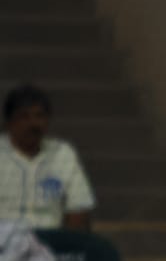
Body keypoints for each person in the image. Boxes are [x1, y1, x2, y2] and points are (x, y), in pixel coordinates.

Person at [0, 84, 95, 230]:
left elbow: (79, 206)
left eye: (39, 116)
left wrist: (66, 246)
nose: (33, 124)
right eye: (24, 117)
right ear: (9, 123)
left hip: (50, 244)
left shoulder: (62, 153)